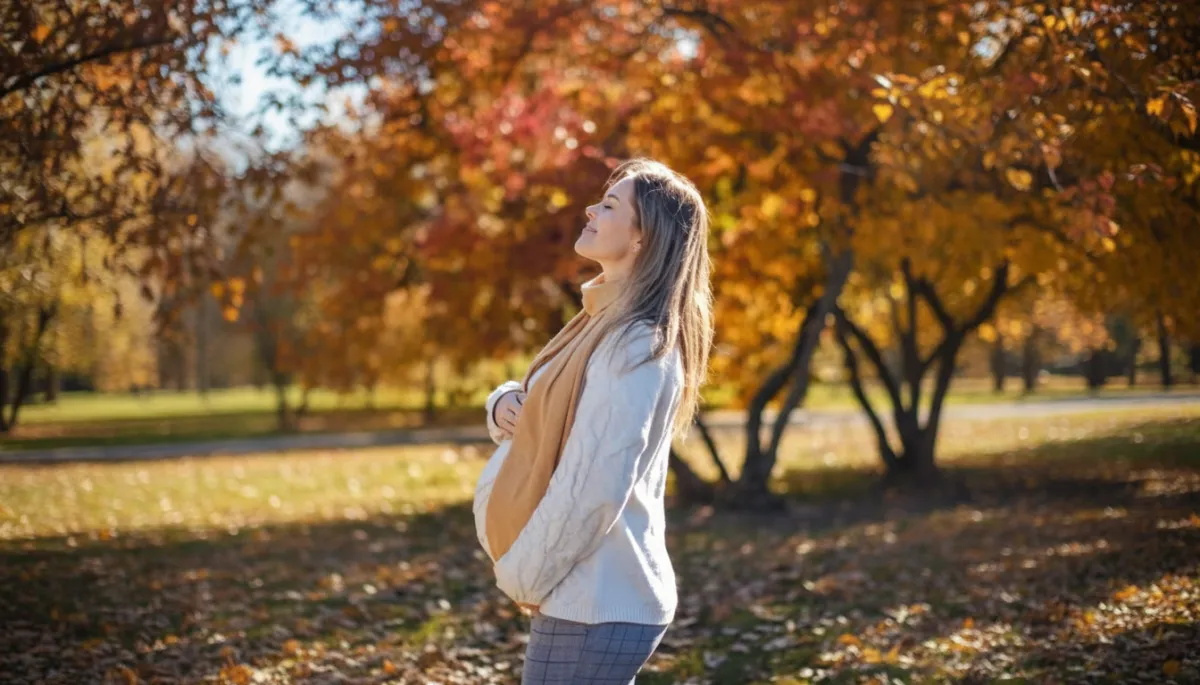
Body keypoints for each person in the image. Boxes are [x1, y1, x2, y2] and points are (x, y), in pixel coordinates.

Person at [472, 158, 714, 684]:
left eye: (609, 206)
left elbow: (597, 484)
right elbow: (547, 400)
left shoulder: (635, 344)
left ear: (642, 240)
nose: (589, 209)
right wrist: (504, 402)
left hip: (600, 593)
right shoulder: (601, 322)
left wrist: (527, 575)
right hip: (587, 592)